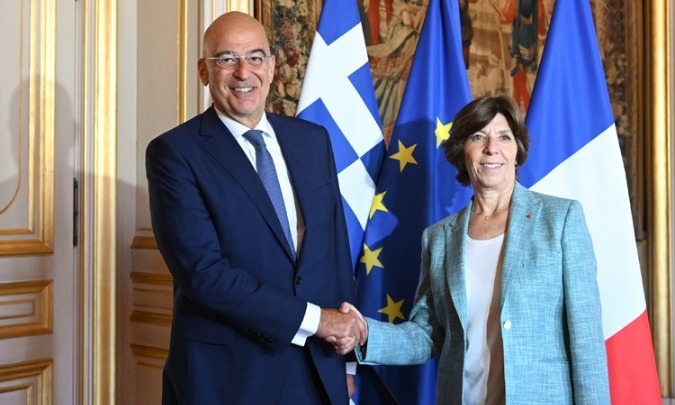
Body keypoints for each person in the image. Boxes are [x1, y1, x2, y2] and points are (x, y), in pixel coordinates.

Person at [146, 12, 367, 405]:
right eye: (226, 59)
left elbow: (332, 248)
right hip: (229, 376)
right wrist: (317, 321)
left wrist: (345, 359)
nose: (243, 72)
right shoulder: (174, 154)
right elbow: (204, 274)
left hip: (318, 368)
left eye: (255, 57)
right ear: (204, 71)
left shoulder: (312, 140)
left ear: (272, 66)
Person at [341, 95, 610, 404]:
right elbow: (427, 334)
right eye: (479, 136)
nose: (492, 148)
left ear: (517, 151)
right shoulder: (438, 238)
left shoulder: (560, 219)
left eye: (504, 137)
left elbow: (585, 340)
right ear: (462, 151)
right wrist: (366, 333)